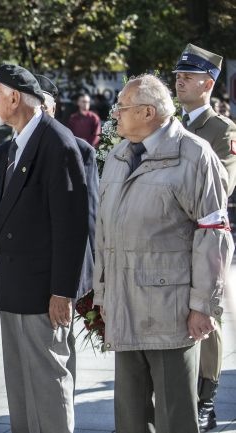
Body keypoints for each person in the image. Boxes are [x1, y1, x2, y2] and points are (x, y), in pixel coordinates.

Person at [94, 73, 233, 433]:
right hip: (124, 310)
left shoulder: (194, 155)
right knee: (130, 418)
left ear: (147, 112)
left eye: (122, 108)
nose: (115, 115)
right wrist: (102, 294)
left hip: (172, 315)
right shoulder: (118, 156)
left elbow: (214, 236)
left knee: (175, 418)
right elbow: (104, 232)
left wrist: (203, 305)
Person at [0, 65, 88, 433]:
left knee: (48, 382)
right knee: (19, 385)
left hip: (43, 291)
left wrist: (63, 291)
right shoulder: (15, 143)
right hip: (15, 285)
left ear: (15, 97)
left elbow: (71, 226)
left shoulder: (57, 142)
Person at [173, 43, 236, 432]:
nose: (179, 81)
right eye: (177, 75)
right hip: (166, 239)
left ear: (208, 83)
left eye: (188, 76)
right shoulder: (168, 124)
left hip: (203, 239)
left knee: (206, 317)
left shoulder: (222, 130)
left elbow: (224, 183)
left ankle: (205, 397)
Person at [36, 74, 99, 386]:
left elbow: (87, 216)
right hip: (25, 273)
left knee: (60, 349)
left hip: (61, 272)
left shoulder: (80, 150)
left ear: (54, 108)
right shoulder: (9, 151)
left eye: (42, 105)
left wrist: (85, 280)